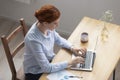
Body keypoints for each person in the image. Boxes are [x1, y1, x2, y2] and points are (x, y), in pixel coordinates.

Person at [23, 4, 86, 80]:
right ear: (45, 23)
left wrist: (72, 47)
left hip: (49, 61)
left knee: (74, 72)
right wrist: (70, 62)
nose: (57, 25)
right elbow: (46, 68)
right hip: (36, 72)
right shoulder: (33, 40)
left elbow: (58, 39)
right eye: (55, 23)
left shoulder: (45, 26)